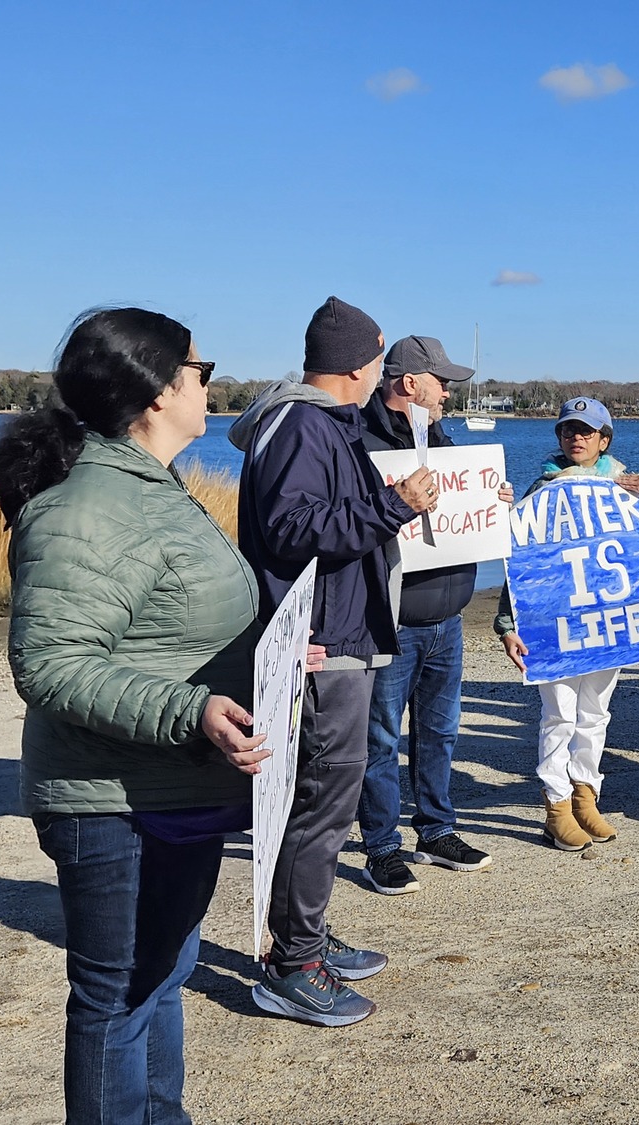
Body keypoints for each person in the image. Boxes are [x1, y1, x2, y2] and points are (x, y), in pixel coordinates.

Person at [0, 308, 269, 1122]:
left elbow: (165, 621)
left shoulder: (151, 483)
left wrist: (273, 659)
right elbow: (48, 663)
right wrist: (193, 709)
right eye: (200, 368)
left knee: (160, 977)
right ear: (156, 391)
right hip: (111, 799)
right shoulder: (91, 505)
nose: (209, 382)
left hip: (168, 787)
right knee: (117, 995)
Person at [231, 296, 437, 1026]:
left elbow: (315, 516)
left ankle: (303, 935)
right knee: (322, 802)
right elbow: (292, 529)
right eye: (378, 358)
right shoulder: (303, 425)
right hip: (320, 648)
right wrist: (392, 508)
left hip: (334, 637)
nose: (383, 370)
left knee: (321, 801)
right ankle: (293, 964)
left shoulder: (319, 424)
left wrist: (383, 501)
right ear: (358, 363)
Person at [357, 335, 509, 894]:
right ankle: (381, 846)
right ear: (409, 383)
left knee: (440, 733)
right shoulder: (361, 442)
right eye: (441, 381)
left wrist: (495, 501)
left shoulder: (443, 440)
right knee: (379, 740)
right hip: (391, 621)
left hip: (448, 617)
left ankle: (437, 831)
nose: (448, 392)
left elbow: (463, 511)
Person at [494, 398, 639, 852]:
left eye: (586, 431)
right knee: (559, 716)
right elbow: (523, 562)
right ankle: (556, 807)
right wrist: (507, 623)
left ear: (604, 440)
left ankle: (586, 795)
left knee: (595, 715)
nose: (576, 438)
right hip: (554, 627)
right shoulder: (543, 488)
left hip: (607, 623)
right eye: (568, 430)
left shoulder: (624, 484)